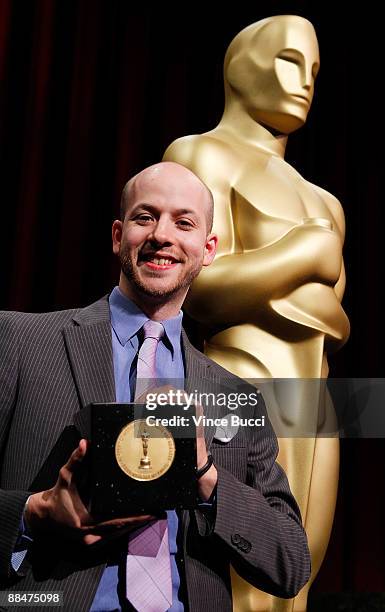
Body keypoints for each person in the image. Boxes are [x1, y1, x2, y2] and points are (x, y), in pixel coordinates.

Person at [0, 161, 310, 611]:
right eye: (145, 217)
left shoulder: (233, 396)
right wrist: (35, 513)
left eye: (183, 222)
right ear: (116, 235)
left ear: (208, 249)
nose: (161, 234)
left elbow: (291, 563)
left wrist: (207, 477)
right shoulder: (20, 343)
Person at [163, 15, 350, 612]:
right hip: (236, 377)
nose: (306, 81)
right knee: (236, 566)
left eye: (315, 70)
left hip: (314, 391)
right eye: (290, 61)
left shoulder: (325, 201)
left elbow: (336, 320)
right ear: (240, 68)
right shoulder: (200, 155)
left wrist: (286, 278)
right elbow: (195, 284)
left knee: (299, 571)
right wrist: (302, 255)